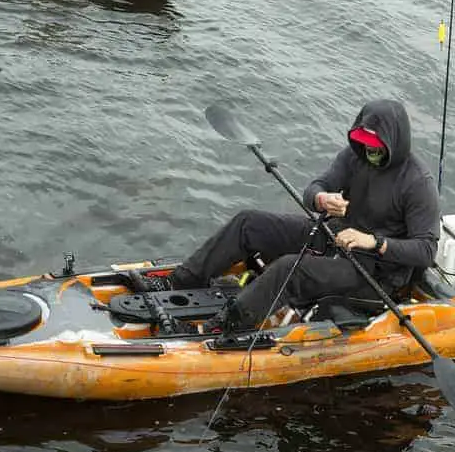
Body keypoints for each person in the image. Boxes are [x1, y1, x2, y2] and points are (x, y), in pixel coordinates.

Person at [170, 99, 441, 333]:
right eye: (364, 143)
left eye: (376, 147)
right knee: (248, 222)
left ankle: (223, 325)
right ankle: (181, 280)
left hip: (374, 272)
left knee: (291, 269)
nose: (370, 152)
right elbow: (314, 188)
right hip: (333, 237)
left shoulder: (418, 182)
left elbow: (426, 250)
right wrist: (321, 199)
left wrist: (374, 242)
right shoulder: (353, 156)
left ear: (394, 142)